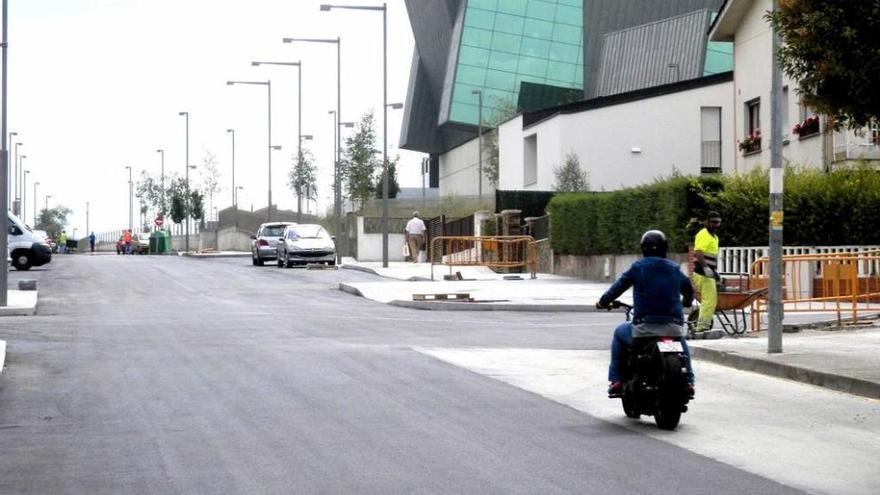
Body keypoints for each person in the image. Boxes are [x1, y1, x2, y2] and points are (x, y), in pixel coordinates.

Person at [597, 230, 695, 398]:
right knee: (681, 343)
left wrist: (603, 302)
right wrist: (686, 302)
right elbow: (688, 290)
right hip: (673, 326)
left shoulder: (638, 268)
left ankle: (617, 380)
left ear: (643, 249)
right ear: (665, 248)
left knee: (619, 333)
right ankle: (688, 382)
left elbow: (617, 288)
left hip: (644, 328)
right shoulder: (674, 268)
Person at [693, 211, 722, 334]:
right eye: (713, 222)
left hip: (708, 273)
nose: (716, 224)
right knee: (709, 300)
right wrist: (705, 268)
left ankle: (704, 325)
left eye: (718, 222)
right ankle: (702, 327)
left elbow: (711, 257)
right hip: (702, 272)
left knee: (711, 300)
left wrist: (715, 273)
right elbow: (699, 252)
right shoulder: (703, 234)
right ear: (708, 222)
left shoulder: (715, 238)